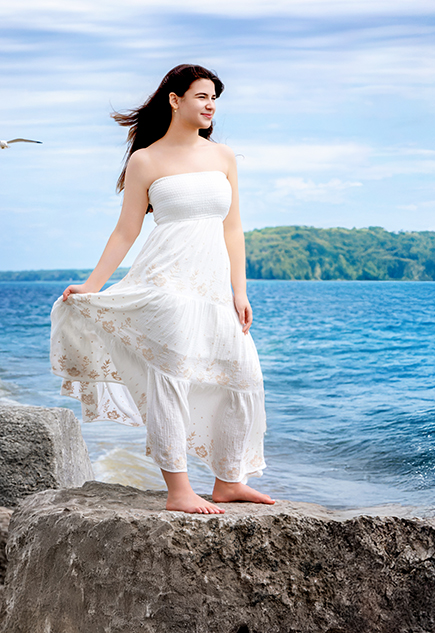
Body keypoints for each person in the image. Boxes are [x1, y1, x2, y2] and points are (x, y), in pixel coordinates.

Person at [50, 64, 273, 514]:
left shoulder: (223, 157)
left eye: (215, 99)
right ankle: (179, 490)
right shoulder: (146, 160)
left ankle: (229, 480)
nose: (211, 106)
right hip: (165, 282)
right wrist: (93, 286)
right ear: (175, 99)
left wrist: (240, 291)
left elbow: (233, 228)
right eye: (202, 96)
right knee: (170, 378)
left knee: (241, 376)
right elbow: (126, 230)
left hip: (213, 289)